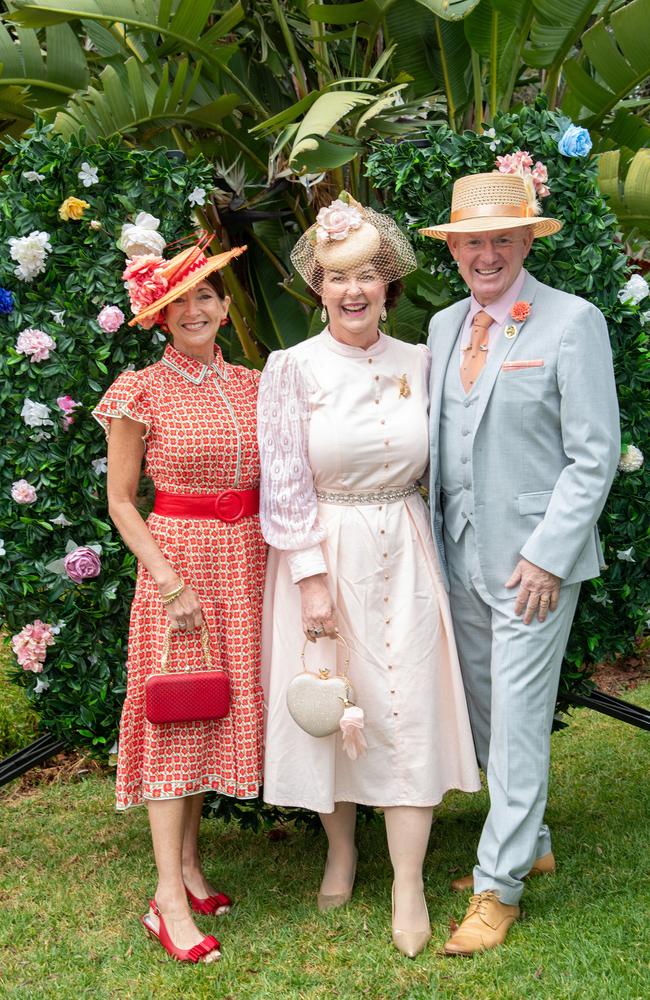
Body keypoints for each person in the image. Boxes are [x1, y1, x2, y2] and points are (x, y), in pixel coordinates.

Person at [258, 195, 480, 959]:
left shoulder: (421, 360)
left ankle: (409, 880)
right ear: (317, 287)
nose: (353, 291)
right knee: (335, 704)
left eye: (367, 276)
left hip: (407, 546)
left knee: (407, 702)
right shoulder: (291, 369)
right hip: (325, 551)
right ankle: (342, 849)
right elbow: (283, 483)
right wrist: (311, 582)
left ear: (389, 283)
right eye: (336, 277)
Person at [420, 171, 620, 954]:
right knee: (485, 711)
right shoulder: (441, 328)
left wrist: (548, 558)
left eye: (502, 237)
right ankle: (529, 839)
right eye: (473, 240)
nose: (487, 253)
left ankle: (498, 888)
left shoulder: (573, 322)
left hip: (534, 564)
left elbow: (594, 454)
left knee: (518, 722)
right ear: (455, 249)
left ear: (529, 239)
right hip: (460, 553)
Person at [93, 236, 266, 964]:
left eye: (205, 297)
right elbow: (121, 501)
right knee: (176, 717)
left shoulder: (254, 384)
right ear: (162, 319)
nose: (194, 310)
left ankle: (192, 868)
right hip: (183, 565)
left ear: (225, 308)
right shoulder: (142, 389)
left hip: (248, 563)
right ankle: (166, 900)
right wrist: (168, 580)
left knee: (211, 708)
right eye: (178, 303)